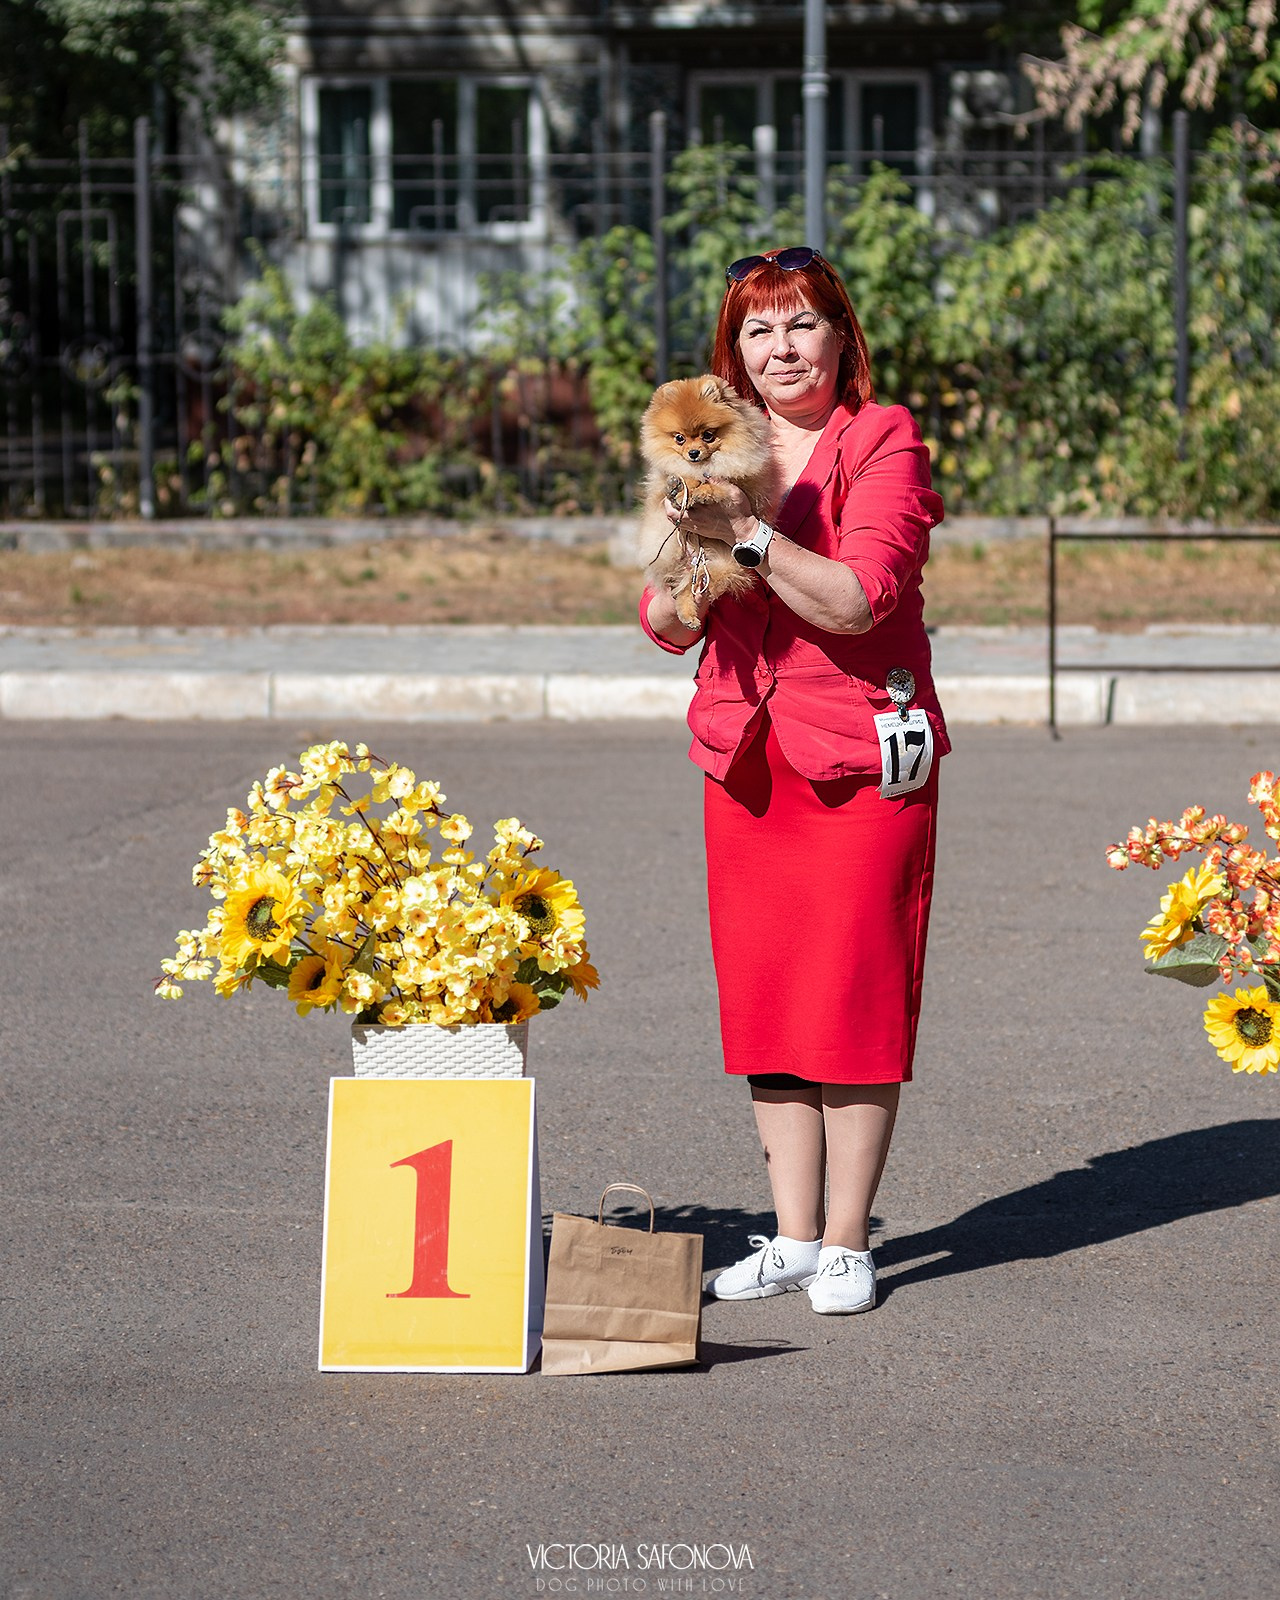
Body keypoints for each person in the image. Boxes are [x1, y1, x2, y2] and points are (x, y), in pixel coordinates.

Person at [639, 246, 948, 1315]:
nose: (780, 348)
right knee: (768, 997)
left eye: (800, 324)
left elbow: (857, 598)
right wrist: (683, 576)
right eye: (758, 330)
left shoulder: (882, 440)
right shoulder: (707, 444)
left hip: (858, 756)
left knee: (854, 992)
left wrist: (747, 536)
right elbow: (662, 615)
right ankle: (791, 1234)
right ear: (734, 350)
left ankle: (851, 1243)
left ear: (838, 337)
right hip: (747, 757)